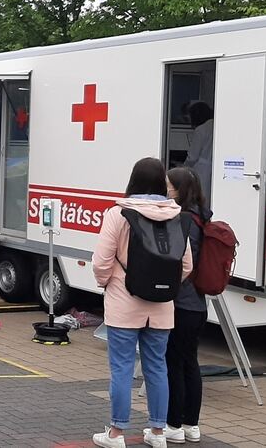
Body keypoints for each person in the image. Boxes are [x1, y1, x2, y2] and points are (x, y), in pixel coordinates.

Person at [91, 157, 193, 448]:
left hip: (124, 304)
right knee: (157, 368)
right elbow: (186, 265)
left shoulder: (118, 214)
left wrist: (108, 283)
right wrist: (164, 286)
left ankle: (116, 434)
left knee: (122, 369)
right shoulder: (176, 216)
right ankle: (158, 432)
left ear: (133, 180)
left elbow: (101, 262)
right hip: (161, 308)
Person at [164, 167, 210, 444]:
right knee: (190, 363)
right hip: (198, 305)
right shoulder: (203, 216)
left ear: (180, 189)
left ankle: (174, 424)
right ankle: (191, 424)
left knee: (175, 364)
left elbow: (182, 261)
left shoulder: (184, 220)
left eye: (170, 186)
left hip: (182, 302)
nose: (167, 190)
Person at [184, 101, 214, 202]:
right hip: (214, 167)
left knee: (201, 197)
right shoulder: (216, 125)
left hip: (201, 170)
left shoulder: (200, 130)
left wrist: (183, 168)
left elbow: (193, 157)